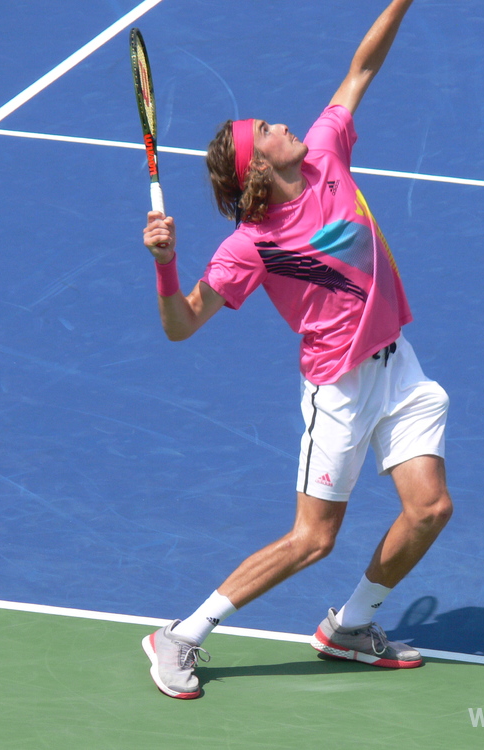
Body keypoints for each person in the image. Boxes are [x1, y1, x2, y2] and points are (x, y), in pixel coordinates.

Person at [140, 0, 452, 700]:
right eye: (268, 130)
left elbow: (362, 66)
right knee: (313, 539)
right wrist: (166, 262)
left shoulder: (327, 151)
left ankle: (350, 627)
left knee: (430, 508)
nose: (284, 124)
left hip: (396, 364)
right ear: (261, 165)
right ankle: (179, 636)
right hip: (339, 389)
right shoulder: (252, 246)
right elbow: (181, 323)